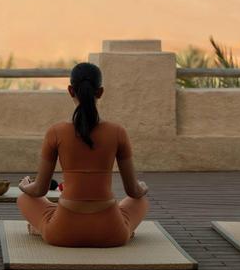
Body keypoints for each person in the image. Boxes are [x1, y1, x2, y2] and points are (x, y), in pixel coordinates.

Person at [17, 62, 149, 247]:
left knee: (24, 199)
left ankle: (42, 227)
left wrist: (25, 187)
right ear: (100, 92)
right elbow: (133, 192)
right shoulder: (118, 132)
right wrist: (142, 188)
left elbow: (39, 190)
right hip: (112, 233)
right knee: (140, 201)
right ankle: (125, 228)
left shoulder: (56, 132)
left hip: (62, 232)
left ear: (71, 90)